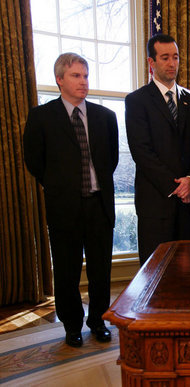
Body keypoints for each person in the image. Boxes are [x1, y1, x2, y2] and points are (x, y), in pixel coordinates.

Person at [23, 53, 118, 347]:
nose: (83, 82)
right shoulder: (42, 117)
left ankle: (98, 320)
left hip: (99, 204)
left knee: (101, 270)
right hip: (64, 207)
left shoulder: (106, 117)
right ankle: (72, 325)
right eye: (76, 76)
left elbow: (110, 160)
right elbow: (34, 162)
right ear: (59, 79)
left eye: (86, 75)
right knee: (66, 271)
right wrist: (59, 186)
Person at [125, 34, 190, 264]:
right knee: (154, 275)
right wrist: (176, 187)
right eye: (165, 58)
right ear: (152, 63)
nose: (172, 63)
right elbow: (141, 152)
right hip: (156, 205)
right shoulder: (136, 101)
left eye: (176, 57)